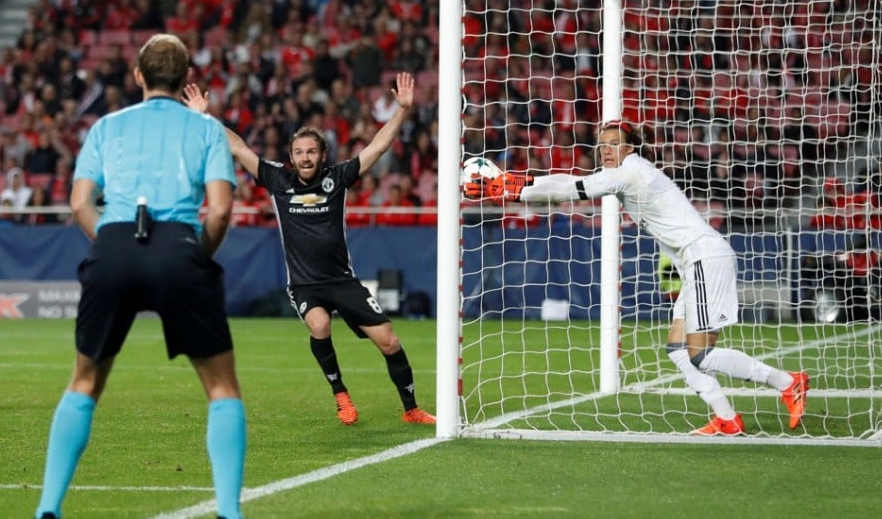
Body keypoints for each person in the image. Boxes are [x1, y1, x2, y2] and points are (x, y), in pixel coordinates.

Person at [22, 34, 273, 519]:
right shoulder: (204, 128)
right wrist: (195, 255)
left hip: (114, 245)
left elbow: (78, 203)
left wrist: (111, 241)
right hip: (179, 246)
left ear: (138, 75)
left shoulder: (106, 127)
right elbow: (222, 209)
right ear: (185, 81)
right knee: (221, 388)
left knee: (84, 382)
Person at [466, 120, 809, 435]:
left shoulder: (631, 172)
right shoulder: (621, 172)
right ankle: (726, 418)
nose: (606, 149)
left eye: (614, 143)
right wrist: (516, 183)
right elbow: (566, 181)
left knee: (700, 354)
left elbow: (569, 190)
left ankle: (786, 382)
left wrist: (512, 189)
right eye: (602, 144)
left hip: (706, 257)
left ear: (630, 148)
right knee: (678, 350)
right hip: (695, 262)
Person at [185, 72, 435, 426]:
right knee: (319, 326)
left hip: (342, 281)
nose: (305, 158)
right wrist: (204, 116)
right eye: (299, 152)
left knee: (390, 342)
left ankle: (411, 409)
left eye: (311, 152)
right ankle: (342, 397)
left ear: (322, 155)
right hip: (304, 284)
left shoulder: (338, 178)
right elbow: (239, 147)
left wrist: (402, 111)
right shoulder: (277, 180)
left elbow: (376, 147)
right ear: (291, 156)